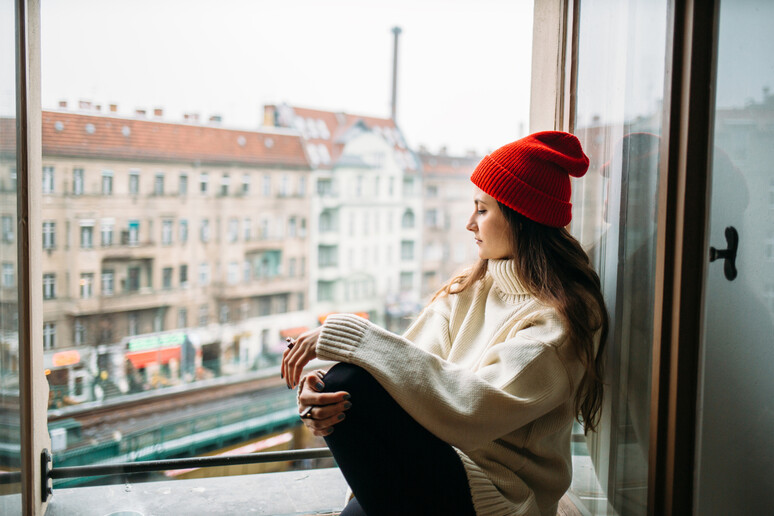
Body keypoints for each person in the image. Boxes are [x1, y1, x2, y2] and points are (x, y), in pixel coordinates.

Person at [281, 131, 608, 516]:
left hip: (497, 496)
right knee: (343, 386)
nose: (470, 223)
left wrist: (353, 337)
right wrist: (323, 400)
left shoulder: (561, 319)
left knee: (350, 383)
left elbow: (473, 409)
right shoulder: (470, 287)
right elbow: (401, 372)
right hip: (440, 469)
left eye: (483, 210)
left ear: (523, 217)